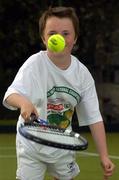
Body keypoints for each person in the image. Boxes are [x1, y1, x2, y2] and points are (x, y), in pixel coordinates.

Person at [3, 6, 115, 180]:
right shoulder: (34, 64)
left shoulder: (82, 75)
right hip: (30, 145)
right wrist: (24, 103)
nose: (59, 38)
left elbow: (94, 118)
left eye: (65, 33)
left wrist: (104, 155)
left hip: (62, 142)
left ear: (75, 38)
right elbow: (11, 95)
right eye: (52, 33)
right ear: (44, 38)